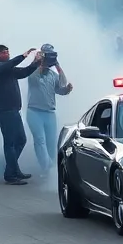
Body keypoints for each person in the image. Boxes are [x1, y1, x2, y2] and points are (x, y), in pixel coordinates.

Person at [0, 43, 38, 186]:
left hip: (14, 110)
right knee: (10, 143)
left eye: (8, 52)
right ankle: (10, 175)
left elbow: (24, 72)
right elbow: (8, 65)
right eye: (4, 52)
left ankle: (12, 169)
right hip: (5, 111)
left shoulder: (8, 70)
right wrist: (23, 56)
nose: (7, 54)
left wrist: (36, 63)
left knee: (21, 140)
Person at [27, 43, 75, 179]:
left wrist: (58, 66)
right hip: (34, 112)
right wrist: (37, 61)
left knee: (51, 141)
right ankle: (47, 168)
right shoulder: (33, 72)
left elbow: (61, 87)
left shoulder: (53, 74)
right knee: (40, 140)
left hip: (49, 112)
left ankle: (53, 168)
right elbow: (32, 77)